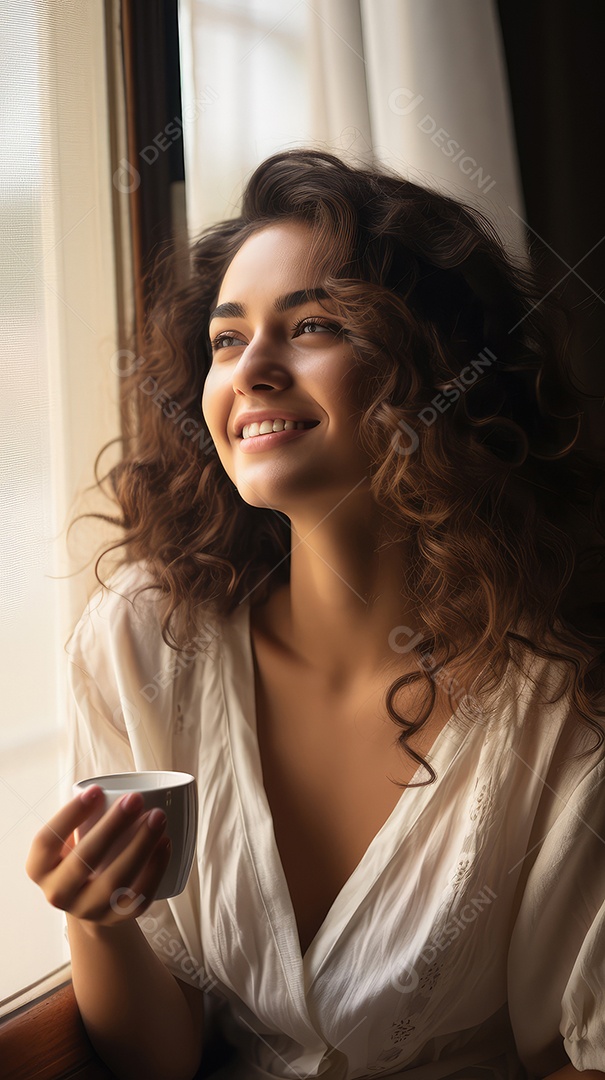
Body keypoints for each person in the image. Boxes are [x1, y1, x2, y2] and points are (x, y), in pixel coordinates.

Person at [26, 148, 605, 1080]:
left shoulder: (565, 694)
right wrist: (94, 914)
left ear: (439, 370)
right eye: (224, 339)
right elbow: (156, 1062)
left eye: (312, 326)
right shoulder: (141, 641)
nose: (250, 370)